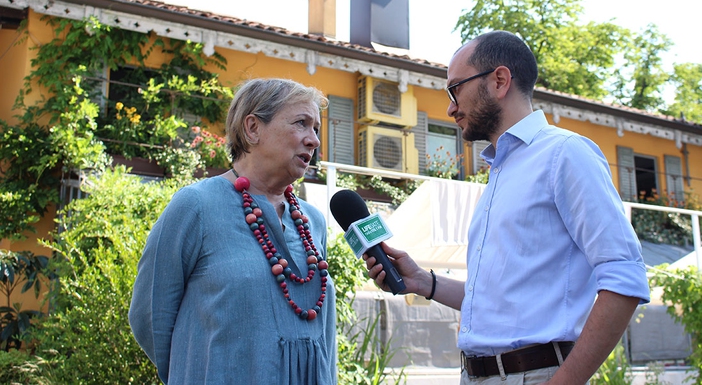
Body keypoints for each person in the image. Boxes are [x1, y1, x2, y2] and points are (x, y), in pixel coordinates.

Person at [365, 30, 650, 384]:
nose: (451, 107)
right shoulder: (500, 172)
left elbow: (625, 276)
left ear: (499, 80)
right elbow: (493, 301)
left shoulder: (565, 153)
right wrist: (424, 281)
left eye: (455, 89)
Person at [129, 78, 336, 385]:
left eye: (316, 128)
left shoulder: (313, 221)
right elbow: (150, 316)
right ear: (253, 128)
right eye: (301, 123)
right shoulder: (196, 206)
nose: (314, 140)